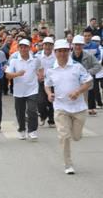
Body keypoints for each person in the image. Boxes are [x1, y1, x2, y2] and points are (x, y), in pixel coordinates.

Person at [45, 39, 93, 174]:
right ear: (55, 53)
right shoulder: (51, 70)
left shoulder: (77, 67)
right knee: (64, 136)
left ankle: (76, 132)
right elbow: (47, 84)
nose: (62, 54)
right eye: (59, 51)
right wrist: (49, 94)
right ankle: (68, 165)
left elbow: (88, 82)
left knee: (76, 137)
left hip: (79, 108)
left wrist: (78, 91)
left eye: (65, 51)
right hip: (61, 107)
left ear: (69, 51)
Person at [5, 39, 42, 140]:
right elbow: (8, 75)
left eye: (25, 47)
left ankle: (32, 130)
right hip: (19, 91)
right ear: (18, 48)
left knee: (32, 110)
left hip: (32, 89)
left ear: (29, 48)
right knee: (20, 112)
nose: (23, 49)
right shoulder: (14, 60)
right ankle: (21, 129)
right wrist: (17, 74)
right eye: (21, 47)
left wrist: (40, 75)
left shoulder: (35, 59)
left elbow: (40, 68)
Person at [71, 35, 101, 116]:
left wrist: (87, 72)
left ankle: (86, 109)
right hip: (72, 81)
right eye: (76, 44)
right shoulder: (68, 56)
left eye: (80, 45)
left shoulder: (88, 56)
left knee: (85, 98)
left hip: (85, 82)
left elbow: (98, 66)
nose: (77, 47)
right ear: (72, 45)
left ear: (83, 45)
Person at [36, 37, 56, 127]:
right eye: (46, 44)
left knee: (52, 101)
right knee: (40, 101)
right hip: (41, 82)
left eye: (50, 45)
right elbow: (33, 68)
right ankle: (43, 116)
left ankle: (51, 120)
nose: (48, 47)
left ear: (53, 46)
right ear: (42, 45)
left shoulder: (56, 55)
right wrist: (38, 75)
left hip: (54, 82)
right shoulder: (37, 56)